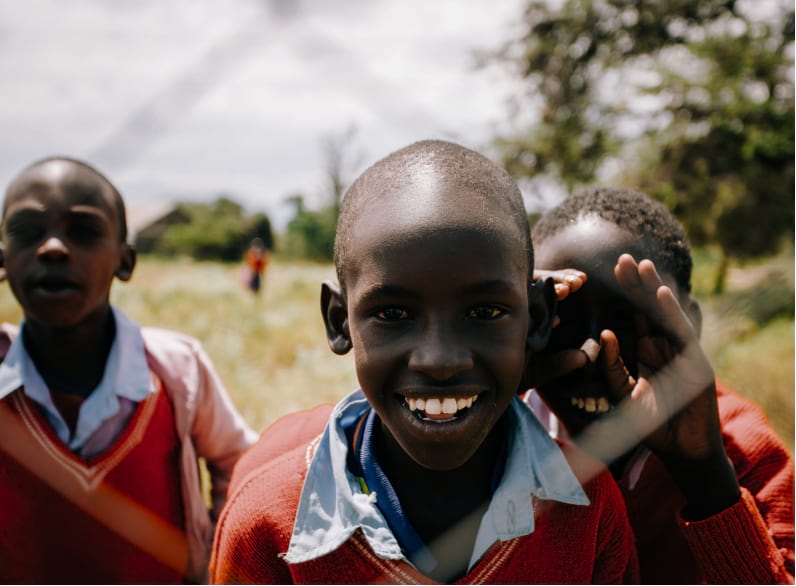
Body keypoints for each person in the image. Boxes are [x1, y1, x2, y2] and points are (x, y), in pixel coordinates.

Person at [209, 139, 639, 584]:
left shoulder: (587, 509)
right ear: (339, 321)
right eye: (393, 314)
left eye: (484, 311)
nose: (440, 361)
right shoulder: (267, 526)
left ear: (538, 318)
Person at [0, 156, 258, 583]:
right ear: (4, 260)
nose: (52, 248)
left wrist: (218, 565)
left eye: (83, 231)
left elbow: (240, 461)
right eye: (28, 231)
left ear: (125, 261)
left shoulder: (177, 370)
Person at [525, 186, 794, 583]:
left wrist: (705, 475)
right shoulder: (495, 423)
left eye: (628, 318)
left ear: (690, 324)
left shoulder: (745, 453)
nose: (595, 351)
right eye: (560, 316)